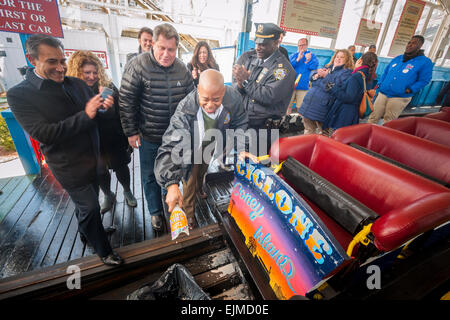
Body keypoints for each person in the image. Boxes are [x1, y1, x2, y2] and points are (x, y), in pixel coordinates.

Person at [7, 34, 123, 266]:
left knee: (89, 204)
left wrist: (106, 108)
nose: (61, 68)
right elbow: (44, 134)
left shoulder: (77, 83)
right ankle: (104, 250)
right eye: (52, 62)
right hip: (68, 165)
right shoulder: (19, 95)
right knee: (90, 207)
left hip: (94, 156)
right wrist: (86, 114)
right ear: (32, 59)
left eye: (62, 61)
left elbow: (97, 115)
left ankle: (87, 233)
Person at [119, 23, 194, 232]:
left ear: (177, 48)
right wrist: (131, 131)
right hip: (149, 135)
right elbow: (126, 100)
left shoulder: (182, 69)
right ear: (152, 45)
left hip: (175, 137)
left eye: (171, 49)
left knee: (172, 174)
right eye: (161, 48)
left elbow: (191, 101)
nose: (166, 54)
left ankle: (170, 206)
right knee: (150, 175)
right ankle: (155, 212)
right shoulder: (138, 65)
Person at [155, 70, 248, 229]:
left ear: (224, 91)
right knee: (189, 181)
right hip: (189, 148)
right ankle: (190, 214)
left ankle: (200, 189)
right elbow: (171, 144)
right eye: (205, 99)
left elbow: (240, 122)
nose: (210, 105)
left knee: (202, 171)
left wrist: (241, 148)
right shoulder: (186, 108)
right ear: (198, 90)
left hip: (210, 144)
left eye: (216, 99)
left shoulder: (234, 98)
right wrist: (171, 183)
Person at [66, 51, 137, 213]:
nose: (92, 76)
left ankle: (127, 191)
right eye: (87, 73)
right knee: (100, 171)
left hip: (113, 137)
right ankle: (108, 195)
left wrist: (126, 135)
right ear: (77, 73)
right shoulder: (72, 91)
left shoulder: (109, 87)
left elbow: (123, 112)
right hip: (90, 141)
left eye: (95, 72)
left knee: (121, 167)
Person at [232, 22, 295, 155]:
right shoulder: (247, 58)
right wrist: (239, 85)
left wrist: (245, 82)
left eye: (264, 44)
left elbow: (269, 96)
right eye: (257, 43)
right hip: (242, 123)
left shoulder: (283, 69)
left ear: (276, 42)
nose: (258, 48)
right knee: (236, 162)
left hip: (262, 131)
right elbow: (235, 85)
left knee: (255, 168)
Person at [368, 35, 433, 124]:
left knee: (389, 121)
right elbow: (385, 72)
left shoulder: (425, 62)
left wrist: (410, 89)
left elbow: (425, 80)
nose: (409, 45)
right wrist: (380, 84)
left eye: (414, 43)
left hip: (399, 97)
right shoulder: (398, 58)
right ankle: (367, 135)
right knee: (373, 117)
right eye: (409, 42)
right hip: (383, 93)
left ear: (420, 46)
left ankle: (382, 137)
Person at [298, 49, 353, 134]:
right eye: (337, 57)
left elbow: (336, 85)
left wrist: (325, 76)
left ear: (347, 60)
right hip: (309, 104)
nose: (338, 59)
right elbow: (312, 76)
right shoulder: (328, 67)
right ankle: (308, 147)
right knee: (308, 130)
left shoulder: (347, 73)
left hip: (323, 107)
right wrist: (316, 76)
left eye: (342, 57)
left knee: (323, 133)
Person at [322, 52, 378, 134]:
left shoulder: (356, 76)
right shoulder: (368, 76)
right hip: (353, 113)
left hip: (344, 114)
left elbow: (349, 97)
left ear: (360, 61)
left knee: (337, 137)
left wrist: (333, 88)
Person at [287, 38, 319, 114]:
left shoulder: (312, 56)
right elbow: (288, 67)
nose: (301, 47)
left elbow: (314, 68)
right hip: (291, 85)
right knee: (288, 105)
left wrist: (308, 60)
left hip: (303, 86)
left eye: (303, 45)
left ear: (307, 45)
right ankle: (285, 121)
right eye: (299, 45)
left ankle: (299, 123)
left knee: (300, 107)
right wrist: (297, 59)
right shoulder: (293, 55)